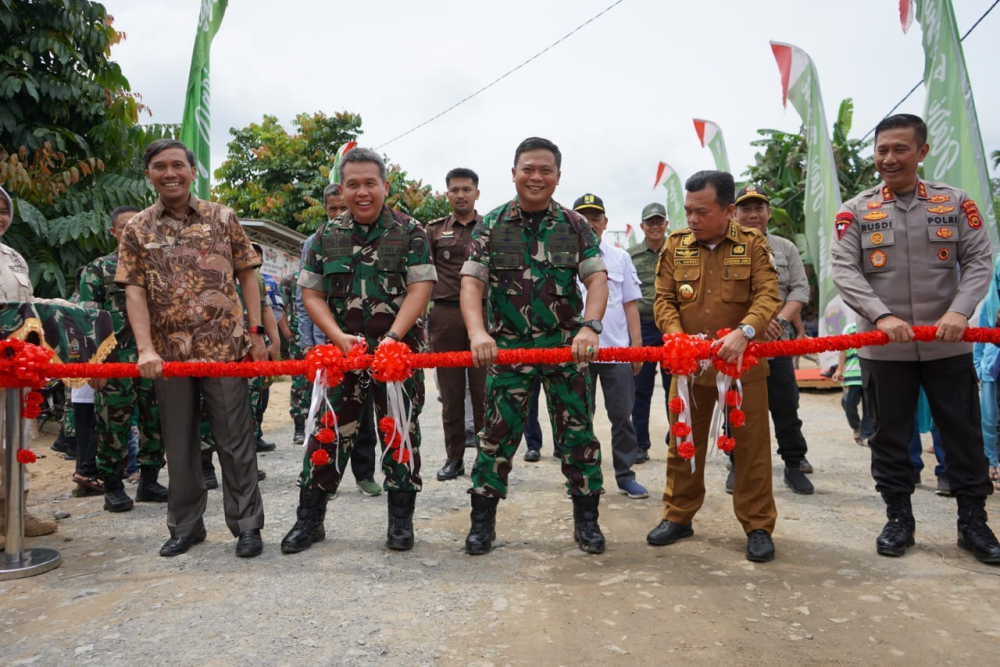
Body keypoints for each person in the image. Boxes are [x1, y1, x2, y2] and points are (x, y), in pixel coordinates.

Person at [830, 113, 1000, 564]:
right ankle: (898, 518)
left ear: (922, 152)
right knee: (888, 435)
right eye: (882, 150)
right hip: (884, 349)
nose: (889, 158)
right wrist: (881, 316)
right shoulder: (855, 210)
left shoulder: (955, 203)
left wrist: (960, 311)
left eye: (900, 149)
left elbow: (981, 260)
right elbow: (844, 270)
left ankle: (973, 523)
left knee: (962, 434)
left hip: (948, 343)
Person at [115, 138, 266, 559]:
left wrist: (256, 333)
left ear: (192, 171)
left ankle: (247, 526)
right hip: (168, 357)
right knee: (178, 445)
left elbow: (247, 275)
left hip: (224, 350)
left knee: (235, 443)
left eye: (177, 165)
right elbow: (134, 291)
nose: (170, 173)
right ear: (149, 174)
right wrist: (145, 349)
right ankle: (185, 526)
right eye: (159, 166)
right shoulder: (137, 228)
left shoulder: (223, 217)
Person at [281, 147, 435, 554]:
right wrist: (335, 337)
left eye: (370, 183)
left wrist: (394, 337)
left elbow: (421, 288)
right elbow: (311, 293)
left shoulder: (411, 232)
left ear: (385, 185)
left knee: (400, 433)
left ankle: (400, 522)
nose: (362, 192)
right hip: (341, 359)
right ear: (342, 188)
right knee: (326, 436)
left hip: (396, 359)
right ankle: (309, 520)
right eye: (353, 184)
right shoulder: (325, 237)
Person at [461, 137, 609, 556]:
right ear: (513, 173)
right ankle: (482, 525)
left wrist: (590, 328)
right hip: (508, 352)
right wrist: (478, 333)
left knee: (578, 437)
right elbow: (471, 283)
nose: (536, 177)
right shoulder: (490, 225)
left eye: (545, 170)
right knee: (495, 438)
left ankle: (588, 523)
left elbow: (597, 280)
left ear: (558, 177)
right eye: (528, 168)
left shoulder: (575, 225)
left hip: (566, 351)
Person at [645, 170, 781, 563]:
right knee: (682, 442)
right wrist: (675, 336)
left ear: (729, 210)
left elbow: (767, 295)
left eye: (702, 212)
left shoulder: (753, 245)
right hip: (688, 368)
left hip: (742, 366)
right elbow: (664, 300)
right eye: (688, 211)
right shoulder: (675, 246)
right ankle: (678, 515)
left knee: (752, 449)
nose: (692, 220)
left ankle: (757, 525)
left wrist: (745, 332)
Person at [75, 205, 167, 512]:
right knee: (113, 425)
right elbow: (86, 319)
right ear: (114, 232)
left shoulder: (158, 267)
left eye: (137, 227)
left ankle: (149, 481)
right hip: (114, 361)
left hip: (155, 360)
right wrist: (92, 365)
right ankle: (112, 485)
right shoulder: (98, 270)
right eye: (125, 227)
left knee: (156, 422)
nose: (132, 232)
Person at [293, 184, 382, 497]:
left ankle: (364, 473)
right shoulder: (315, 242)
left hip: (364, 349)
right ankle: (322, 482)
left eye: (340, 209)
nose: (338, 214)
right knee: (326, 416)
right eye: (332, 209)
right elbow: (305, 300)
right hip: (326, 349)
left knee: (364, 417)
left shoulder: (377, 238)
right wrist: (308, 343)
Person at [731, 185, 814, 495]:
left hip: (776, 340)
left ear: (767, 212)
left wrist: (779, 321)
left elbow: (799, 290)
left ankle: (794, 463)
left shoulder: (785, 248)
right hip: (738, 341)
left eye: (759, 208)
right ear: (734, 213)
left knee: (785, 402)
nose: (753, 215)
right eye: (745, 209)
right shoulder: (724, 247)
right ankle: (737, 464)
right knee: (735, 402)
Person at [572, 193, 648, 499]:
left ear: (605, 222)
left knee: (622, 417)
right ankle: (583, 477)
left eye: (595, 217)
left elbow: (630, 304)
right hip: (577, 352)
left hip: (615, 351)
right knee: (579, 418)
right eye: (583, 217)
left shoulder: (620, 257)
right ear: (574, 222)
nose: (590, 223)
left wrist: (637, 347)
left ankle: (625, 474)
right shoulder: (564, 256)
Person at [0, 185, 58, 545]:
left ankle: (16, 513)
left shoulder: (14, 257)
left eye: (4, 209)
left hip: (15, 369)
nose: (1, 216)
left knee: (18, 436)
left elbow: (28, 304)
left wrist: (61, 306)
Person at [426, 167, 487, 482]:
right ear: (446, 194)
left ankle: (486, 458)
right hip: (446, 316)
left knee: (483, 393)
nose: (461, 195)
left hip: (484, 316)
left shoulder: (491, 228)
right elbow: (422, 276)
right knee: (450, 394)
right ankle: (454, 458)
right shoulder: (434, 231)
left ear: (477, 193)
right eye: (455, 190)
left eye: (467, 189)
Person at [629, 202, 672, 464]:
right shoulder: (631, 255)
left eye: (659, 221)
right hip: (643, 325)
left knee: (674, 387)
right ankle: (640, 444)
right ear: (642, 225)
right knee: (640, 389)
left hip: (671, 326)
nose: (655, 226)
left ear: (666, 223)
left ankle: (677, 438)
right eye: (650, 222)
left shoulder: (680, 251)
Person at [832, 320, 873, 447]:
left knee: (869, 407)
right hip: (851, 374)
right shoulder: (850, 328)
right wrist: (839, 370)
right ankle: (856, 427)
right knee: (848, 403)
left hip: (870, 374)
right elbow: (843, 351)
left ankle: (867, 435)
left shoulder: (875, 328)